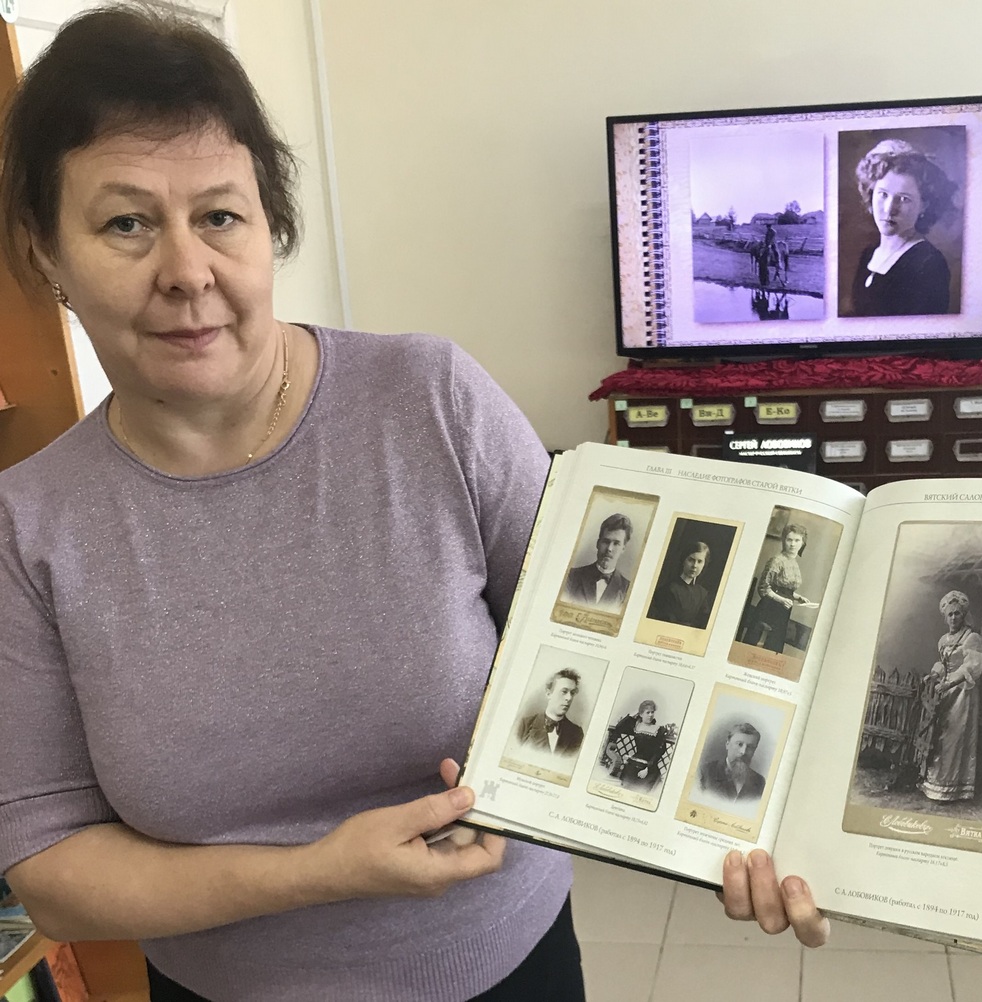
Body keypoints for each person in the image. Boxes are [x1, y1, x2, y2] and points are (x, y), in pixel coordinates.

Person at [0, 8, 828, 1000]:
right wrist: (318, 873)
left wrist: (767, 827)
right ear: (46, 252)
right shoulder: (27, 527)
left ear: (270, 227)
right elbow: (53, 873)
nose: (186, 272)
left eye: (219, 216)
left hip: (504, 969)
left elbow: (634, 651)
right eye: (126, 224)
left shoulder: (432, 401)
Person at [847, 138, 957, 317]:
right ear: (871, 194)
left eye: (904, 199)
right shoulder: (869, 254)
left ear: (924, 205)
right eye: (883, 194)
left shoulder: (928, 263)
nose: (890, 209)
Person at [918, 591, 982, 802]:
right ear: (945, 617)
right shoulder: (943, 640)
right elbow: (943, 663)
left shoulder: (971, 638)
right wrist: (934, 675)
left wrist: (950, 683)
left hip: (962, 692)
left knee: (953, 737)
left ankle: (952, 788)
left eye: (957, 613)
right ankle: (934, 783)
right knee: (939, 735)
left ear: (963, 615)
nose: (954, 618)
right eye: (950, 614)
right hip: (944, 691)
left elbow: (971, 667)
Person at [741, 524, 817, 653]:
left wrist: (798, 597)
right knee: (759, 646)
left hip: (783, 611)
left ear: (803, 543)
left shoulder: (794, 563)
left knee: (773, 646)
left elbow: (784, 589)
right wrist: (781, 600)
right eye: (789, 540)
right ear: (784, 540)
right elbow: (764, 588)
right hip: (769, 609)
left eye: (797, 540)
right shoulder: (776, 561)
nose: (793, 544)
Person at [561, 513, 632, 610]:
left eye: (616, 543)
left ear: (623, 548)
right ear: (598, 543)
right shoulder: (571, 576)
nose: (609, 549)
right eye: (606, 542)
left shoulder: (628, 590)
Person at [515, 669, 585, 756]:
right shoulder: (525, 725)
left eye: (572, 693)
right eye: (564, 692)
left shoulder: (576, 733)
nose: (569, 698)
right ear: (549, 694)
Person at [647, 540, 713, 628]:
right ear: (683, 561)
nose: (694, 565)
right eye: (691, 560)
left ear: (704, 565)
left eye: (699, 561)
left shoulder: (702, 594)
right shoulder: (668, 589)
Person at [604, 699, 670, 788]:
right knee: (625, 785)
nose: (650, 715)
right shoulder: (637, 727)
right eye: (647, 712)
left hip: (649, 767)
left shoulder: (659, 730)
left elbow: (659, 751)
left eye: (652, 712)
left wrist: (647, 769)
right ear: (641, 714)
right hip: (634, 763)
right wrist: (633, 714)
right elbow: (619, 727)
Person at [699, 723, 767, 803]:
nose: (743, 752)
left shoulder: (759, 782)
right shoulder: (705, 772)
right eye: (739, 744)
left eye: (750, 747)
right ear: (727, 744)